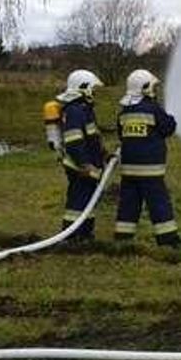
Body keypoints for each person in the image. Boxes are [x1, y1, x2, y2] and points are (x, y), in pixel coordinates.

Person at [115, 69, 181, 247]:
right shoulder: (153, 109)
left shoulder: (125, 111)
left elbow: (122, 136)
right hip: (150, 170)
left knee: (128, 204)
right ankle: (168, 240)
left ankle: (122, 239)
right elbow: (168, 128)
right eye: (152, 86)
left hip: (128, 170)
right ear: (145, 88)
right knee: (159, 204)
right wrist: (169, 116)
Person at [56, 69, 106, 239]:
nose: (94, 92)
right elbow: (74, 141)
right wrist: (85, 164)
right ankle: (71, 235)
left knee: (87, 200)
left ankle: (84, 233)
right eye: (93, 88)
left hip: (85, 164)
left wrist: (104, 155)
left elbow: (91, 137)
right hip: (79, 166)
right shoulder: (75, 111)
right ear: (84, 88)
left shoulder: (83, 109)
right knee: (78, 201)